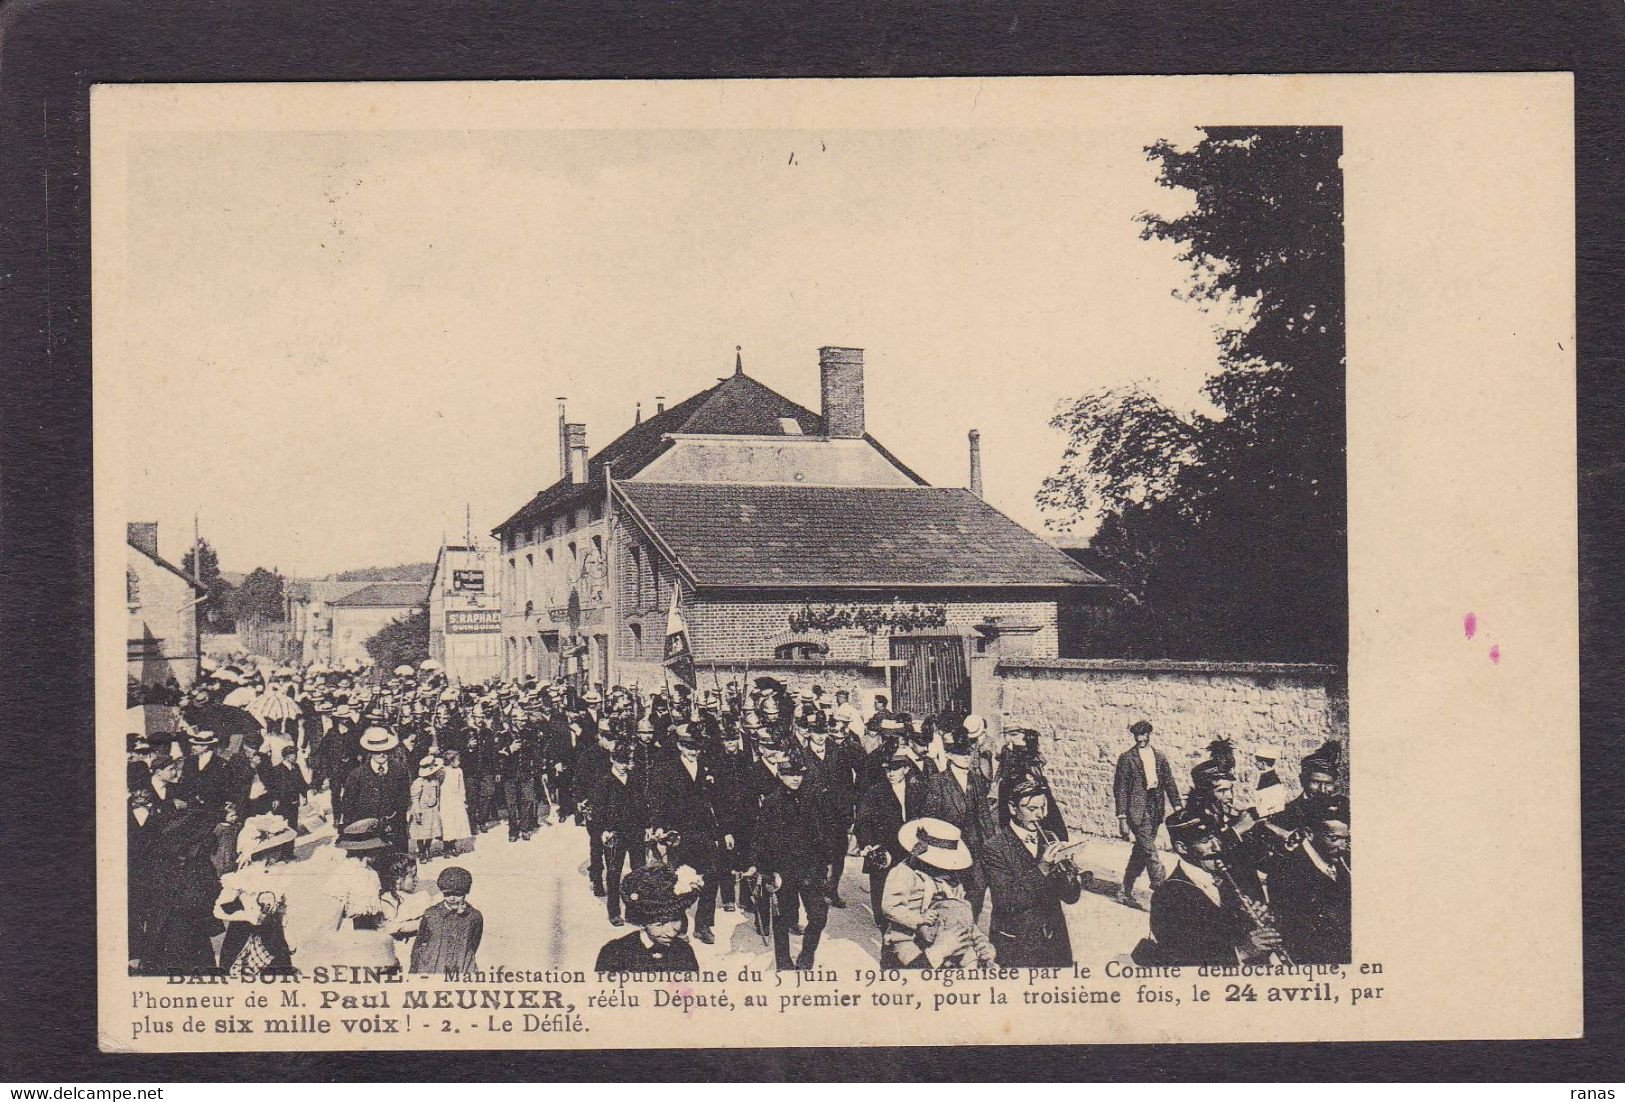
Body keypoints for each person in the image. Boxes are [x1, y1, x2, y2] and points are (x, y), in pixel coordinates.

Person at [1139, 806, 1284, 967]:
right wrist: (1242, 951)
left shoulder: (1229, 876)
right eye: (1205, 841)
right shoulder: (1167, 896)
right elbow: (1179, 958)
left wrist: (1262, 919)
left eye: (1216, 838)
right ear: (1182, 847)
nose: (1217, 847)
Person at [981, 774, 1082, 967]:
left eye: (1043, 808)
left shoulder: (1050, 838)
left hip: (1054, 941)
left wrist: (1070, 874)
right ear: (1012, 808)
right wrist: (1043, 867)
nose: (1040, 815)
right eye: (1032, 809)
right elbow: (1006, 900)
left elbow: (1070, 898)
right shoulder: (995, 847)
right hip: (1017, 943)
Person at [749, 753, 833, 971]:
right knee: (782, 920)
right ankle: (783, 962)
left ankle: (807, 955)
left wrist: (825, 862)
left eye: (799, 774)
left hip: (810, 869)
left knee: (818, 916)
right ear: (780, 775)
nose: (796, 779)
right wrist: (767, 870)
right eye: (790, 774)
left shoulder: (812, 798)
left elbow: (822, 832)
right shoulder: (772, 802)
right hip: (783, 871)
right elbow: (761, 839)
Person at [880, 817, 994, 968]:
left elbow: (961, 914)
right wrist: (918, 919)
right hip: (907, 936)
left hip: (946, 935)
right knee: (913, 964)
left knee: (971, 961)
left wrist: (980, 943)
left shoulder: (952, 880)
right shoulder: (904, 873)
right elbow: (890, 906)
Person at [646, 726, 723, 943]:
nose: (693, 752)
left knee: (710, 876)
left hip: (704, 831)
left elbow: (715, 799)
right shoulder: (666, 769)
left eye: (697, 747)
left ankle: (704, 924)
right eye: (689, 747)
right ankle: (679, 926)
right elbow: (657, 801)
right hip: (678, 833)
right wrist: (659, 826)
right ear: (680, 745)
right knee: (679, 881)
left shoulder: (706, 767)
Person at [1263, 798, 1351, 964]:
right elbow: (1300, 937)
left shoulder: (1342, 859)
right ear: (1309, 834)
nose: (1342, 846)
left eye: (1345, 839)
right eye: (1334, 838)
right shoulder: (1286, 872)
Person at [920, 728, 993, 918]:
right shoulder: (938, 781)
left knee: (977, 888)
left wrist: (992, 843)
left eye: (969, 753)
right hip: (949, 846)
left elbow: (984, 814)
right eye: (961, 754)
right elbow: (931, 818)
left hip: (974, 845)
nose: (967, 758)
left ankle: (969, 927)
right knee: (950, 891)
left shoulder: (976, 780)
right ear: (950, 755)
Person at [1113, 719, 1181, 908]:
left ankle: (1124, 890)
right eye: (1137, 735)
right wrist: (1122, 817)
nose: (1140, 738)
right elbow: (1120, 789)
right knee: (1151, 853)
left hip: (1155, 807)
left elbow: (1169, 782)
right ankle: (1164, 894)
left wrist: (1177, 806)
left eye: (1144, 735)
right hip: (1136, 811)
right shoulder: (1127, 758)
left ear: (1149, 734)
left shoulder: (1159, 756)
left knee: (1141, 851)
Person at [854, 751, 924, 928]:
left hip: (908, 847)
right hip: (883, 847)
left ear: (906, 769)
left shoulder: (917, 790)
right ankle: (882, 922)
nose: (891, 774)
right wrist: (867, 844)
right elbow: (863, 821)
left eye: (895, 769)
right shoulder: (875, 792)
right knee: (881, 887)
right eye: (888, 770)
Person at [594, 864, 703, 974]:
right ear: (642, 923)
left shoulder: (684, 952)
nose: (671, 932)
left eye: (675, 920)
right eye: (660, 924)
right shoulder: (615, 953)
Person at [588, 743, 647, 926]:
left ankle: (634, 911)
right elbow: (597, 811)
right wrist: (603, 831)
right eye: (620, 761)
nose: (623, 766)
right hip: (615, 834)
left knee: (638, 873)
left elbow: (642, 805)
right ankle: (614, 911)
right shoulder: (604, 782)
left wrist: (647, 826)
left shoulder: (634, 779)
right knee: (614, 873)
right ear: (612, 759)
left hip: (635, 832)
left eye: (626, 762)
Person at [337, 726, 412, 852]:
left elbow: (404, 801)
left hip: (394, 835)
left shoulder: (400, 771)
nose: (382, 754)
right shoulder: (357, 775)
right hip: (367, 837)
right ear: (369, 751)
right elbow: (348, 807)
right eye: (377, 751)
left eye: (385, 750)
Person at [409, 866, 485, 975]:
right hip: (432, 968)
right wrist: (413, 970)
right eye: (448, 894)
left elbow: (473, 944)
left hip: (462, 968)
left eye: (458, 894)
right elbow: (419, 943)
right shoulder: (431, 914)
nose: (452, 898)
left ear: (465, 892)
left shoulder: (474, 917)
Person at [438, 749, 474, 855]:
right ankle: (446, 847)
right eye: (457, 760)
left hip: (456, 800)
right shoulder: (442, 771)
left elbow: (461, 786)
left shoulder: (459, 771)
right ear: (451, 760)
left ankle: (453, 845)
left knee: (456, 822)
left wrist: (463, 800)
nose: (459, 762)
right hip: (445, 800)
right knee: (446, 823)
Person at [409, 756, 445, 860]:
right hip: (422, 810)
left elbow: (437, 795)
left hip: (432, 810)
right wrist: (417, 812)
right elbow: (415, 798)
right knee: (420, 833)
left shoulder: (435, 781)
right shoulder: (419, 782)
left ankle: (427, 849)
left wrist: (437, 806)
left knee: (431, 832)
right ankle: (421, 852)